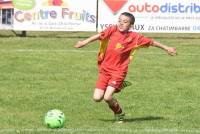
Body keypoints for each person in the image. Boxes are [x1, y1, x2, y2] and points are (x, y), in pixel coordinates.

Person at [74, 12, 176, 123]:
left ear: (131, 25)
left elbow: (152, 42)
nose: (121, 23)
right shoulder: (112, 30)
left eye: (125, 22)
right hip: (105, 69)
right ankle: (119, 85)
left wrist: (166, 48)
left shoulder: (135, 37)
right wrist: (84, 42)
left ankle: (119, 114)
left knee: (107, 97)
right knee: (97, 98)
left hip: (119, 71)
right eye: (120, 20)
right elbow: (99, 35)